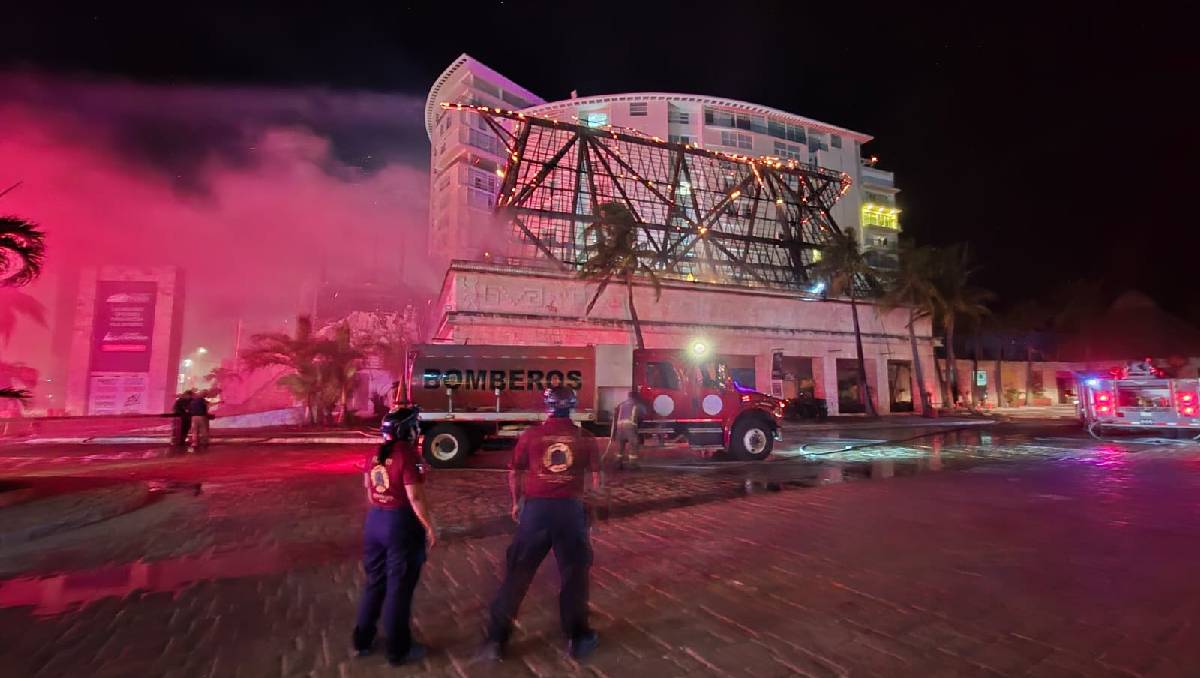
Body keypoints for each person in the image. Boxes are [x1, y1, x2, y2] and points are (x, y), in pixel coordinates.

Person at [480, 386, 602, 662]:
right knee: (574, 575)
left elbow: (515, 472)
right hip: (570, 512)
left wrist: (516, 501)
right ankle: (577, 637)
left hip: (536, 511)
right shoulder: (585, 438)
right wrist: (590, 512)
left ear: (547, 406)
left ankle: (496, 640)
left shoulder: (531, 436)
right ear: (572, 405)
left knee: (517, 574)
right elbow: (596, 481)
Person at [353, 406, 437, 665]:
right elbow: (414, 496)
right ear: (405, 430)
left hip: (375, 521)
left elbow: (369, 492)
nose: (417, 430)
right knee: (398, 588)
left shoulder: (374, 453)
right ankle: (398, 649)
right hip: (400, 524)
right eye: (413, 426)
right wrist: (428, 525)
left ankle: (362, 641)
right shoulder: (407, 455)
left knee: (375, 582)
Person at [611, 390, 644, 469]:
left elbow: (615, 414)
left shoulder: (621, 404)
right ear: (636, 397)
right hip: (630, 426)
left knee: (620, 446)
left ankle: (618, 463)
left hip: (619, 426)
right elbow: (642, 414)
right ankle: (633, 464)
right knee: (633, 444)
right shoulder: (637, 404)